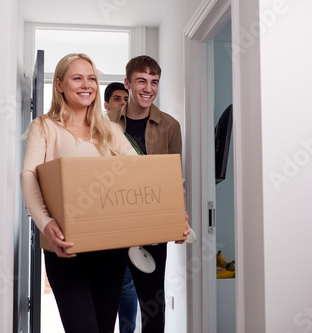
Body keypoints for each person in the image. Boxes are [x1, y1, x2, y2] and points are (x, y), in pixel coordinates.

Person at [20, 53, 139, 333]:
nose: (86, 85)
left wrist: (169, 214)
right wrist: (45, 223)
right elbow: (29, 175)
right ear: (59, 84)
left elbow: (142, 176)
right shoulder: (45, 127)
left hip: (111, 249)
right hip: (66, 248)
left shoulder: (110, 131)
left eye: (92, 78)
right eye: (77, 78)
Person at [107, 55, 188, 332]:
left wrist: (179, 218)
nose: (148, 88)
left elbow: (175, 180)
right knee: (107, 300)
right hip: (112, 226)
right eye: (141, 80)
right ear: (128, 83)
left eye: (154, 82)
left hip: (152, 227)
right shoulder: (105, 125)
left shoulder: (170, 126)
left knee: (152, 302)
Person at [104, 82, 137, 333]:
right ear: (105, 105)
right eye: (117, 99)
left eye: (126, 99)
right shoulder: (100, 133)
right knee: (104, 288)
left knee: (127, 286)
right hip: (102, 222)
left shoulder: (128, 135)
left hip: (127, 221)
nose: (122, 103)